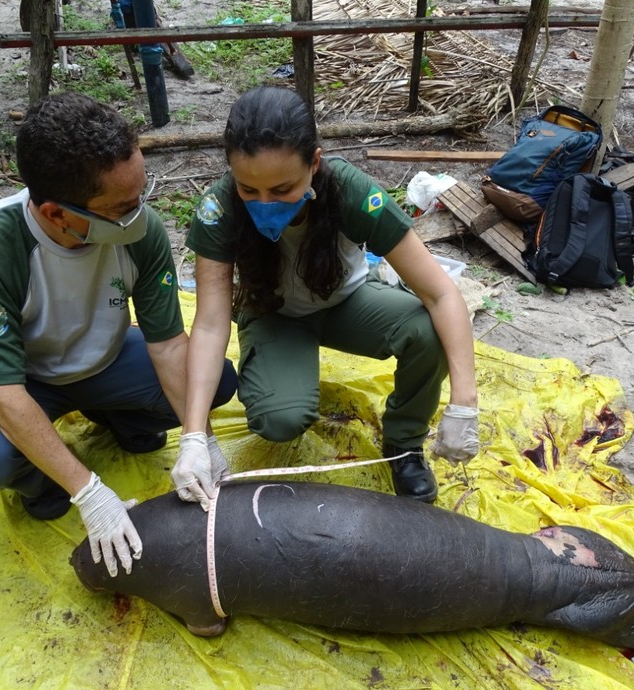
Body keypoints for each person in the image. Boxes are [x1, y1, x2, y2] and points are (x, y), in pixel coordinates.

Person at [0, 92, 237, 577]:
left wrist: (197, 438)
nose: (138, 213)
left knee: (214, 383)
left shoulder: (140, 231)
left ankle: (120, 419)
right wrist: (91, 493)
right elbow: (1, 393)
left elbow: (166, 345)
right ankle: (47, 483)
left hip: (106, 362)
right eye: (121, 206)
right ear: (56, 213)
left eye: (140, 194)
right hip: (25, 380)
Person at [171, 85, 478, 508]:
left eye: (281, 189)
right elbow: (208, 323)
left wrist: (464, 403)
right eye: (248, 189)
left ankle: (404, 444)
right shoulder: (218, 208)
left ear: (314, 164)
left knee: (428, 330)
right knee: (279, 420)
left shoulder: (351, 192)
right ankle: (285, 371)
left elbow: (441, 293)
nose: (264, 203)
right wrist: (194, 437)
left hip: (346, 302)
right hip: (274, 314)